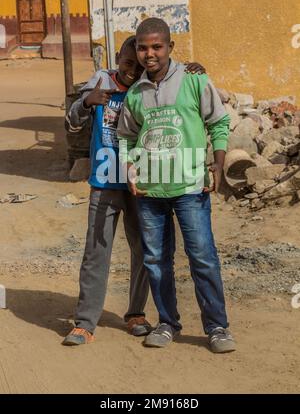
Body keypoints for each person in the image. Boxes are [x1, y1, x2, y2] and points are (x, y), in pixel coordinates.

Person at [63, 35, 205, 345]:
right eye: (126, 64)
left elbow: (179, 94)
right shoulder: (101, 80)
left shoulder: (148, 88)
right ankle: (85, 321)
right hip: (104, 181)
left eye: (137, 66)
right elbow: (71, 120)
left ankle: (136, 313)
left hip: (141, 182)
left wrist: (195, 69)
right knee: (96, 251)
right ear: (117, 60)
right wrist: (87, 102)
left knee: (144, 250)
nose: (131, 71)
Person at [117, 19, 236, 353]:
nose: (149, 54)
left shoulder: (195, 80)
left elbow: (219, 121)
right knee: (156, 260)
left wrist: (219, 160)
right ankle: (167, 322)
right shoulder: (135, 93)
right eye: (143, 47)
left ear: (170, 47)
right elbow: (125, 136)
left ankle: (218, 327)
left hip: (190, 187)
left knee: (203, 257)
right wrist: (130, 169)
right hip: (150, 192)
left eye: (156, 46)